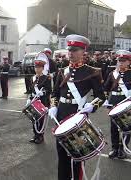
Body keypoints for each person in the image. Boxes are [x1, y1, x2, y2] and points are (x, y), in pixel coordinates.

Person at [48, 34, 106, 180]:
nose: (71, 53)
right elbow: (54, 93)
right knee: (62, 156)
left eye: (75, 50)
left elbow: (101, 96)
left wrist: (91, 106)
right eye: (70, 50)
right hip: (60, 117)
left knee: (77, 156)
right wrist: (54, 106)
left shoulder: (92, 72)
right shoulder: (62, 71)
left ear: (83, 52)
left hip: (77, 118)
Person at [103, 50, 131, 159]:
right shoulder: (112, 74)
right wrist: (106, 101)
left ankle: (122, 148)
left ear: (129, 62)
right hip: (114, 102)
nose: (120, 63)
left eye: (123, 61)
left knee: (126, 126)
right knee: (114, 127)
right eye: (119, 61)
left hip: (126, 103)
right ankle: (115, 148)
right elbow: (105, 88)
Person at [25, 53, 52, 144]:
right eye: (36, 67)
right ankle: (35, 135)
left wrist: (42, 92)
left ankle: (40, 136)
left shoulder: (46, 78)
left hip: (43, 102)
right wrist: (29, 98)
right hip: (34, 101)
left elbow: (49, 90)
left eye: (39, 67)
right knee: (34, 119)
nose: (37, 69)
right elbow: (30, 90)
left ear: (42, 68)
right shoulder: (32, 78)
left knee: (41, 120)